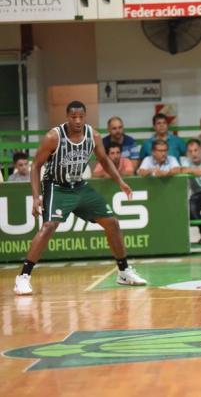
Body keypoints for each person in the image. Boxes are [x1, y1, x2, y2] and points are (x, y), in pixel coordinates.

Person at [13, 101, 146, 296]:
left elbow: (104, 160)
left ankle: (124, 271)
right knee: (49, 226)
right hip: (56, 186)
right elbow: (35, 166)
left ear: (85, 117)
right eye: (73, 117)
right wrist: (36, 197)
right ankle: (23, 276)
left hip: (80, 186)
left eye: (80, 117)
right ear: (67, 117)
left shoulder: (93, 136)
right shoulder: (53, 137)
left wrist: (120, 181)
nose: (77, 120)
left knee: (112, 223)